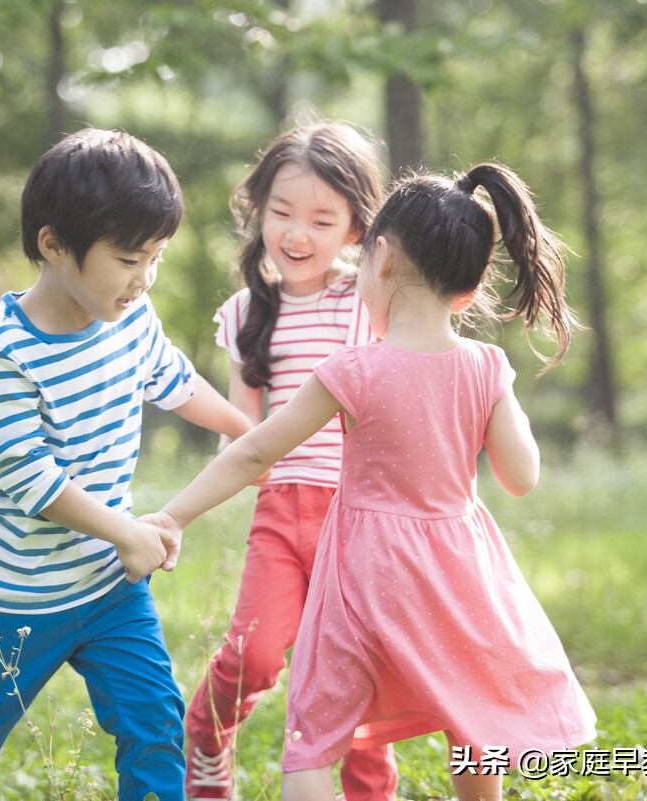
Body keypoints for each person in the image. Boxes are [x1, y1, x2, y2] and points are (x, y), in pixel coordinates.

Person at [147, 162, 598, 801]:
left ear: (379, 257)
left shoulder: (353, 370)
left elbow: (253, 453)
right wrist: (499, 395)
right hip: (459, 571)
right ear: (467, 292)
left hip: (364, 571)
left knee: (318, 728)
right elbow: (521, 477)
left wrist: (173, 516)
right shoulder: (486, 366)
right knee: (472, 718)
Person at [0, 128, 254, 801]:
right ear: (54, 244)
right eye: (127, 258)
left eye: (155, 257)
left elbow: (173, 378)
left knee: (154, 722)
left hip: (108, 590)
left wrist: (242, 428)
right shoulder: (8, 354)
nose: (143, 278)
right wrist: (125, 530)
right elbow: (29, 477)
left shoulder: (132, 316)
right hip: (10, 601)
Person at [182, 121, 399, 801]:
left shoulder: (366, 304)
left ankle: (370, 787)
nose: (296, 234)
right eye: (281, 213)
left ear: (357, 230)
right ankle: (207, 736)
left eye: (321, 219)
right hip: (281, 511)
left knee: (360, 665)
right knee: (257, 652)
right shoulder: (249, 309)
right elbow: (242, 427)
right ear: (258, 210)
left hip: (358, 516)